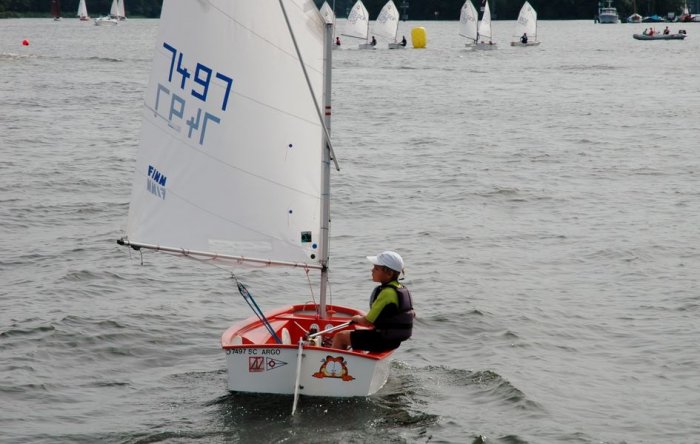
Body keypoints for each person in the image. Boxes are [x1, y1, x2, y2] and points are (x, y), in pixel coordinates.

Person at [331, 251, 414, 352]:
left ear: (389, 273)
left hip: (382, 340)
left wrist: (356, 318)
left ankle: (334, 362)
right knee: (358, 332)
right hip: (394, 340)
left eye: (376, 268)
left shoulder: (387, 293)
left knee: (340, 337)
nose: (372, 270)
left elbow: (366, 321)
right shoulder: (401, 288)